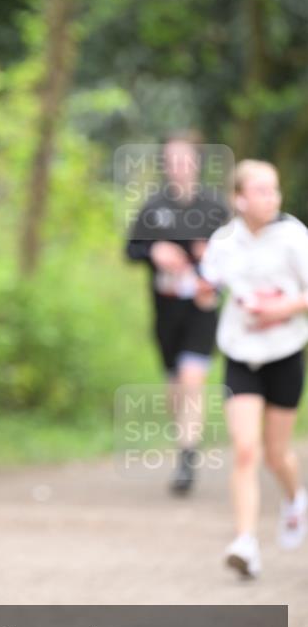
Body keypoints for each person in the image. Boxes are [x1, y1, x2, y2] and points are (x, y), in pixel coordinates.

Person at [199, 160, 308, 578]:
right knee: (246, 449)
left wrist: (281, 307)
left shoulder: (294, 237)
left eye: (275, 190)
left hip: (284, 353)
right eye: (261, 190)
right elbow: (207, 291)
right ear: (239, 198)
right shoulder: (224, 242)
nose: (271, 198)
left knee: (277, 454)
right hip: (240, 356)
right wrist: (205, 294)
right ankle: (245, 542)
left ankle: (295, 498)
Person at [126, 131, 230, 493]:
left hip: (202, 310)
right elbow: (131, 249)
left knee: (191, 380)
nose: (178, 168)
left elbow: (235, 258)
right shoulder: (154, 207)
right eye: (171, 161)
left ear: (197, 163)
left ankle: (187, 457)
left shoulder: (215, 209)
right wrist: (155, 252)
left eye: (184, 160)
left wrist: (208, 272)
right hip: (166, 313)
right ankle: (185, 442)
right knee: (176, 388)